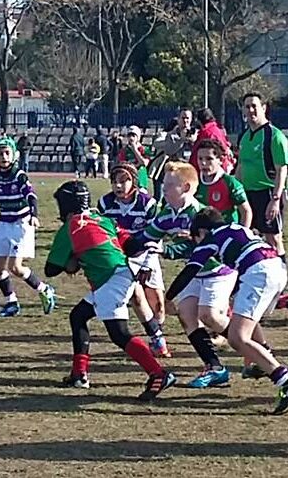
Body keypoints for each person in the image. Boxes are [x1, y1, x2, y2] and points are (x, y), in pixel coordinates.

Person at [45, 180, 176, 400]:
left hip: (109, 280)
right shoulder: (104, 220)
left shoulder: (71, 226)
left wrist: (73, 258)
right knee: (78, 316)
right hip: (122, 272)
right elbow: (132, 244)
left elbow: (51, 270)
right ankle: (79, 373)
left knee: (119, 334)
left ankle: (158, 374)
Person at [165, 207, 288, 415]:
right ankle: (261, 357)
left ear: (201, 232)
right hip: (276, 267)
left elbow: (189, 271)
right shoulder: (236, 227)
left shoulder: (210, 239)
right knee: (245, 319)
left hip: (259, 273)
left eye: (196, 237)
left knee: (237, 338)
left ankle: (285, 380)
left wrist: (167, 298)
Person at [131, 162, 237, 388]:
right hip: (196, 273)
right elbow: (144, 238)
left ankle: (254, 345)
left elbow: (195, 249)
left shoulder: (200, 215)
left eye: (170, 186)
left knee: (210, 316)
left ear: (186, 188)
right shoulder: (167, 214)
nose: (163, 190)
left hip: (218, 271)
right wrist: (115, 240)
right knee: (187, 316)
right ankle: (215, 367)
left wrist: (166, 250)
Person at [0, 136, 57, 317]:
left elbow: (31, 196)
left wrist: (34, 215)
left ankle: (44, 289)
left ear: (14, 155)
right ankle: (11, 301)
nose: (4, 157)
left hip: (21, 224)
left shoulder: (19, 176)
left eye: (7, 153)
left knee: (15, 267)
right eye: (0, 153)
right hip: (4, 224)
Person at [97, 162, 170, 357]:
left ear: (134, 182)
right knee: (136, 297)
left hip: (147, 253)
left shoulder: (147, 203)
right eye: (114, 182)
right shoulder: (105, 204)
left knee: (157, 304)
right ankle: (157, 338)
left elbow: (156, 236)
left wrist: (146, 264)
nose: (118, 186)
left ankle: (158, 328)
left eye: (124, 181)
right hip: (121, 257)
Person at [235, 92, 288, 261]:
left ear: (264, 108)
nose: (251, 110)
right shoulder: (244, 136)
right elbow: (240, 166)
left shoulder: (274, 136)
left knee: (273, 239)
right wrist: (234, 190)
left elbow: (282, 168)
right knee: (246, 237)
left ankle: (281, 279)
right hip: (247, 194)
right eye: (247, 106)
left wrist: (275, 199)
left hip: (267, 193)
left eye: (254, 106)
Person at [195, 139, 252, 226]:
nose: (203, 163)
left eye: (209, 159)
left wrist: (242, 234)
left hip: (226, 232)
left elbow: (246, 212)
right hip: (203, 234)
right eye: (200, 158)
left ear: (220, 160)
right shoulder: (194, 182)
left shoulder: (230, 182)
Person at [189, 108, 232, 173]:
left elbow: (202, 152)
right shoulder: (217, 129)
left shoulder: (207, 133)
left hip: (210, 170)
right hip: (220, 167)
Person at [118, 125, 150, 190]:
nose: (131, 138)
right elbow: (122, 164)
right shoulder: (124, 150)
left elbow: (144, 163)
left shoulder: (144, 149)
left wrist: (135, 150)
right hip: (128, 180)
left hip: (141, 180)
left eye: (133, 135)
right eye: (129, 135)